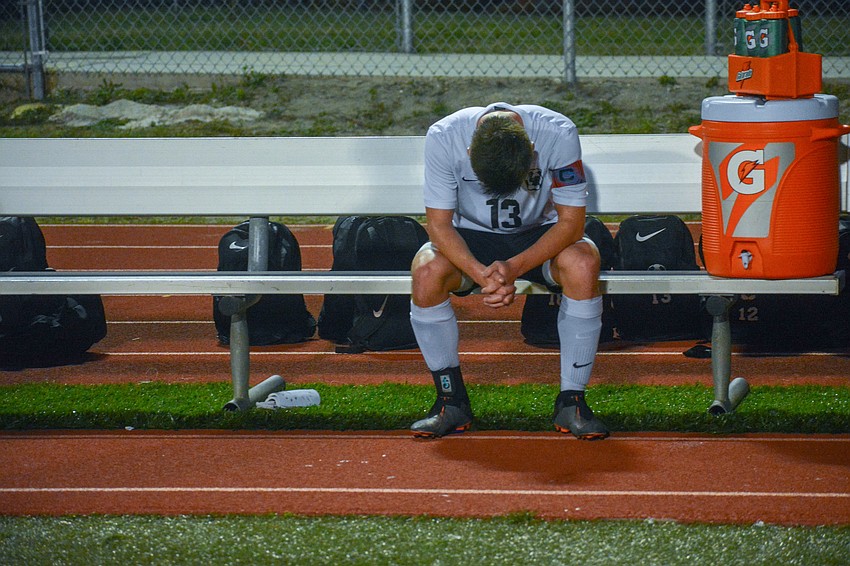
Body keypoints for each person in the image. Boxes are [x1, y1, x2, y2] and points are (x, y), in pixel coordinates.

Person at [408, 102, 609, 440]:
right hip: (469, 237)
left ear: (532, 151)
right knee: (426, 273)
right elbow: (439, 226)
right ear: (470, 151)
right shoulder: (444, 137)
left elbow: (572, 224)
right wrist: (480, 271)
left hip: (541, 235)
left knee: (583, 264)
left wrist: (513, 267)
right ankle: (450, 400)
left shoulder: (558, 133)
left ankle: (572, 402)